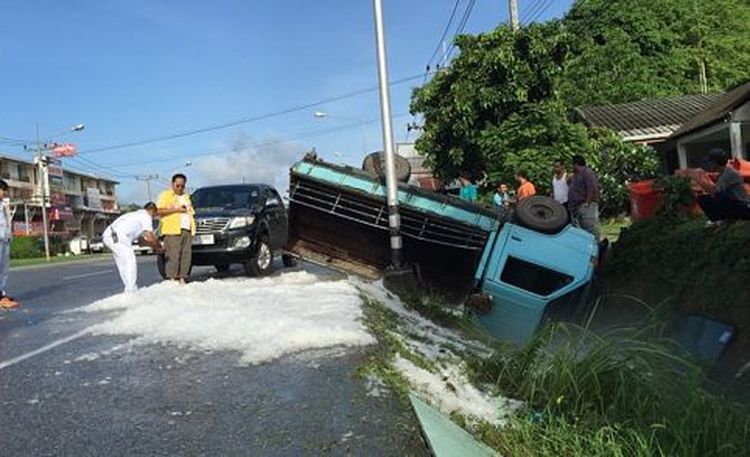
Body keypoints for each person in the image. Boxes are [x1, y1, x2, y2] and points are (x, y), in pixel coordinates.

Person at [103, 202, 162, 293]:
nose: (153, 217)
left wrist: (153, 246)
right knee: (130, 260)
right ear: (153, 211)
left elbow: (142, 242)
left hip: (108, 235)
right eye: (154, 215)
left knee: (122, 263)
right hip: (119, 236)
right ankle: (131, 290)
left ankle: (128, 287)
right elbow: (150, 236)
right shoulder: (146, 216)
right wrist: (159, 247)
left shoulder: (135, 215)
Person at [157, 173, 196, 283]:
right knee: (173, 255)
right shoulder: (165, 195)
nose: (180, 188)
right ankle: (172, 278)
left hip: (187, 229)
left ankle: (183, 277)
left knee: (186, 255)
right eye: (177, 186)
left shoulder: (186, 197)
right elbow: (158, 211)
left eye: (182, 186)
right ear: (172, 184)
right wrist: (176, 210)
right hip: (171, 229)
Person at [697, 149, 750, 224]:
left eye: (710, 162)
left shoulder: (729, 174)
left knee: (705, 199)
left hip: (744, 207)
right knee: (710, 197)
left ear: (715, 163)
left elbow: (715, 191)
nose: (708, 164)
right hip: (738, 206)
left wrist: (700, 178)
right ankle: (723, 218)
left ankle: (721, 219)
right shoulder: (724, 172)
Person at [568, 155, 600, 239]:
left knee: (591, 229)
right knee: (583, 232)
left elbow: (591, 188)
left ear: (576, 164)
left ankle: (596, 246)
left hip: (586, 206)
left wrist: (587, 202)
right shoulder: (575, 175)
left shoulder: (587, 172)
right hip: (577, 207)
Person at [0, 180, 18, 309]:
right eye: (2, 190)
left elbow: (6, 221)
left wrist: (9, 235)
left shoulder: (3, 204)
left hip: (5, 239)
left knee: (4, 269)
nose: (4, 193)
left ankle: (1, 293)